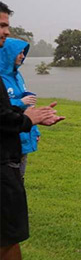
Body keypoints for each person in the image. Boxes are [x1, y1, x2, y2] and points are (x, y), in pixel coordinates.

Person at [1, 1, 65, 260]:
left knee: (8, 231)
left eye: (7, 27)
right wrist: (26, 118)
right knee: (7, 230)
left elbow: (4, 110)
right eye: (1, 26)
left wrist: (32, 116)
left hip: (10, 158)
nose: (5, 32)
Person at [0, 37, 41, 180]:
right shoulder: (1, 78)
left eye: (24, 53)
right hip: (8, 136)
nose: (23, 56)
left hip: (23, 133)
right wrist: (20, 102)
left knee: (20, 177)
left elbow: (28, 107)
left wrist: (34, 130)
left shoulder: (18, 76)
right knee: (9, 178)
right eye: (19, 52)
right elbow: (3, 107)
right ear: (8, 53)